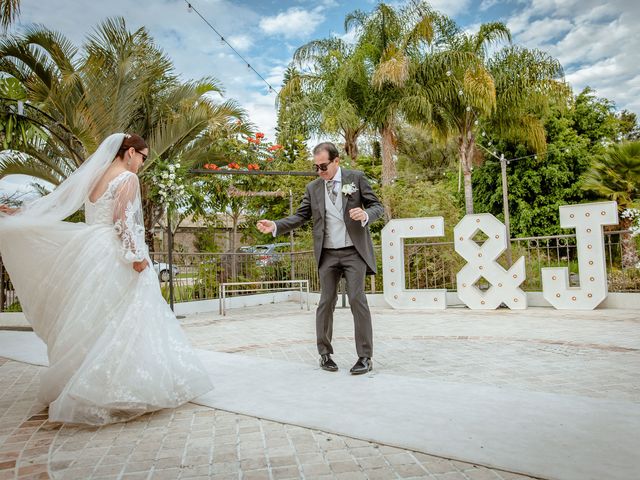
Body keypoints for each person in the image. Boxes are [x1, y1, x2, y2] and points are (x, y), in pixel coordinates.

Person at [0, 133, 212, 425]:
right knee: (127, 317)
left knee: (94, 318)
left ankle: (88, 380)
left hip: (89, 249)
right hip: (113, 251)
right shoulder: (127, 178)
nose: (142, 162)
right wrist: (136, 257)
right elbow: (122, 220)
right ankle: (122, 385)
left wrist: (21, 213)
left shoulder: (95, 176)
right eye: (142, 156)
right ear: (129, 153)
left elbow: (58, 200)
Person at [257, 142, 384, 374]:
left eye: (323, 166)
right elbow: (300, 216)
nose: (320, 171)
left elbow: (377, 206)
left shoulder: (355, 179)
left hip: (354, 251)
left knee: (357, 300)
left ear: (336, 161)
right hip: (327, 253)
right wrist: (275, 225)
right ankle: (324, 354)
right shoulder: (313, 188)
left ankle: (365, 357)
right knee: (326, 302)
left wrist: (366, 214)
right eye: (316, 167)